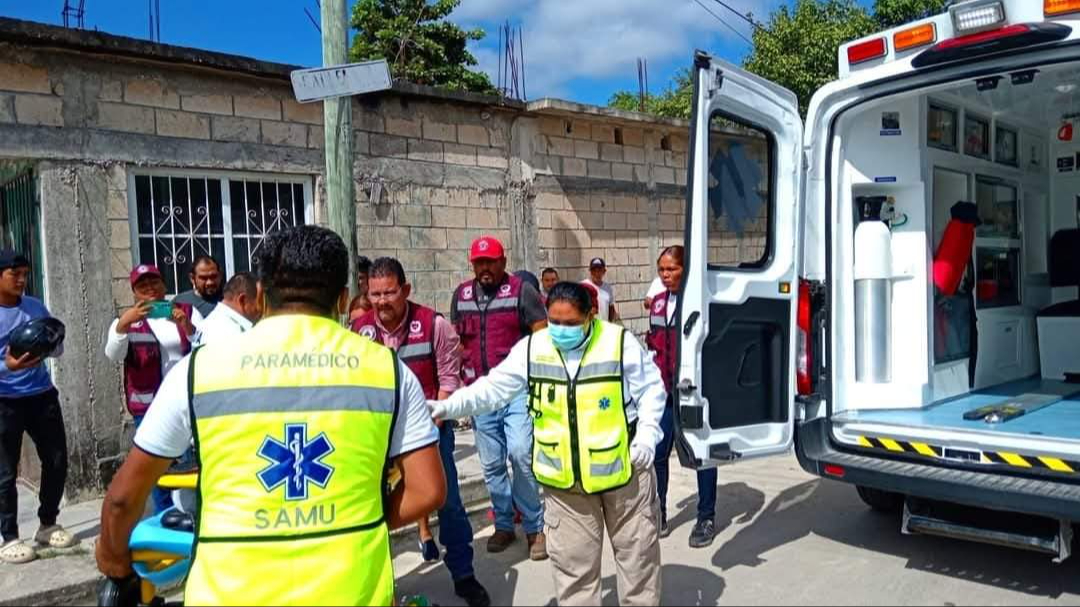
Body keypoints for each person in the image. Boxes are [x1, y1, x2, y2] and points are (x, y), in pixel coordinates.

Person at [96, 226, 446, 606]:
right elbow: (428, 489)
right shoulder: (388, 371)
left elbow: (121, 500)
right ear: (345, 299)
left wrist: (114, 562)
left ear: (260, 296)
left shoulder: (198, 371)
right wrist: (360, 521)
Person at [431, 282, 666, 606]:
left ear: (591, 316)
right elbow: (492, 389)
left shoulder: (618, 343)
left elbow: (652, 390)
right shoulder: (533, 348)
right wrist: (446, 406)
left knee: (638, 564)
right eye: (554, 322)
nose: (560, 330)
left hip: (625, 473)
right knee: (574, 576)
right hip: (566, 487)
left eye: (570, 323)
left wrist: (647, 436)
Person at [351, 257, 490, 607]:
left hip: (429, 432)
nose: (382, 301)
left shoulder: (434, 325)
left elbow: (448, 381)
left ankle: (464, 575)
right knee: (371, 509)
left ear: (406, 290)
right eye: (375, 294)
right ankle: (381, 584)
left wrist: (427, 428)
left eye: (390, 293)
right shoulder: (359, 331)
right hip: (377, 439)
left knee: (449, 503)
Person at [451, 236, 548, 560]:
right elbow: (457, 341)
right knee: (492, 464)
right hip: (481, 394)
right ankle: (504, 525)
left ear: (503, 262)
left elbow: (542, 337)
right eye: (479, 262)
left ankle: (534, 528)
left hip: (517, 391)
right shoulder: (461, 295)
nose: (485, 268)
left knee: (521, 454)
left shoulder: (522, 291)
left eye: (490, 261)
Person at [0, 250, 75, 565]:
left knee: (57, 460)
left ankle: (47, 523)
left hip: (41, 394)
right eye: (14, 274)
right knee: (5, 473)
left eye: (25, 274)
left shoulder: (34, 307)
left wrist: (51, 345)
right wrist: (9, 366)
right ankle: (9, 538)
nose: (21, 280)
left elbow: (53, 345)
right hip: (4, 400)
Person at [104, 264, 194, 514]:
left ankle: (188, 512)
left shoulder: (186, 311)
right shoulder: (125, 321)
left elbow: (205, 346)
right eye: (142, 286)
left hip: (184, 400)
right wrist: (123, 326)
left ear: (164, 285)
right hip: (148, 405)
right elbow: (113, 354)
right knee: (155, 462)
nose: (150, 289)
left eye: (154, 283)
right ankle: (164, 515)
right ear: (134, 292)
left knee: (187, 461)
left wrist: (188, 326)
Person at [648, 245, 719, 548]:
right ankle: (659, 511)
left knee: (701, 454)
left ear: (685, 268)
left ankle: (706, 516)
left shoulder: (701, 302)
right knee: (658, 452)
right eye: (661, 270)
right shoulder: (658, 304)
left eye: (671, 269)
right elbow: (654, 344)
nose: (665, 275)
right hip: (663, 392)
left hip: (693, 391)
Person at [193, 273, 260, 346]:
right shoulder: (228, 332)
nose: (265, 307)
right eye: (261, 301)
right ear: (243, 300)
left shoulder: (214, 324)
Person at [173, 256, 222, 325]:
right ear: (192, 278)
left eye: (213, 276)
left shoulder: (230, 299)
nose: (210, 282)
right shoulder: (181, 302)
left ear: (220, 275)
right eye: (203, 278)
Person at [583, 258, 619, 322]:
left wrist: (612, 323)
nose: (597, 273)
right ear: (590, 271)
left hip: (604, 327)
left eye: (599, 270)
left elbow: (611, 308)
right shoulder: (583, 285)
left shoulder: (608, 288)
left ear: (604, 272)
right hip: (588, 327)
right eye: (594, 270)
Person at [348, 255, 373, 323]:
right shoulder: (352, 302)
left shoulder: (376, 304)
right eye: (354, 278)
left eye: (360, 278)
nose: (357, 282)